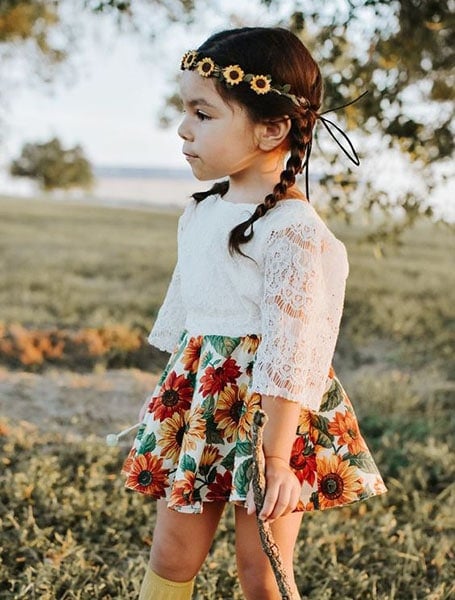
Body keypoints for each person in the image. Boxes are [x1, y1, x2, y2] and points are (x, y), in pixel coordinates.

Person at [120, 26, 387, 600]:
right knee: (170, 554)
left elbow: (294, 353)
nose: (183, 128)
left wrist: (277, 457)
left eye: (204, 113)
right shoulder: (202, 213)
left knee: (260, 568)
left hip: (272, 417)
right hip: (205, 405)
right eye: (184, 109)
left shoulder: (292, 231)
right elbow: (197, 324)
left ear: (273, 128)